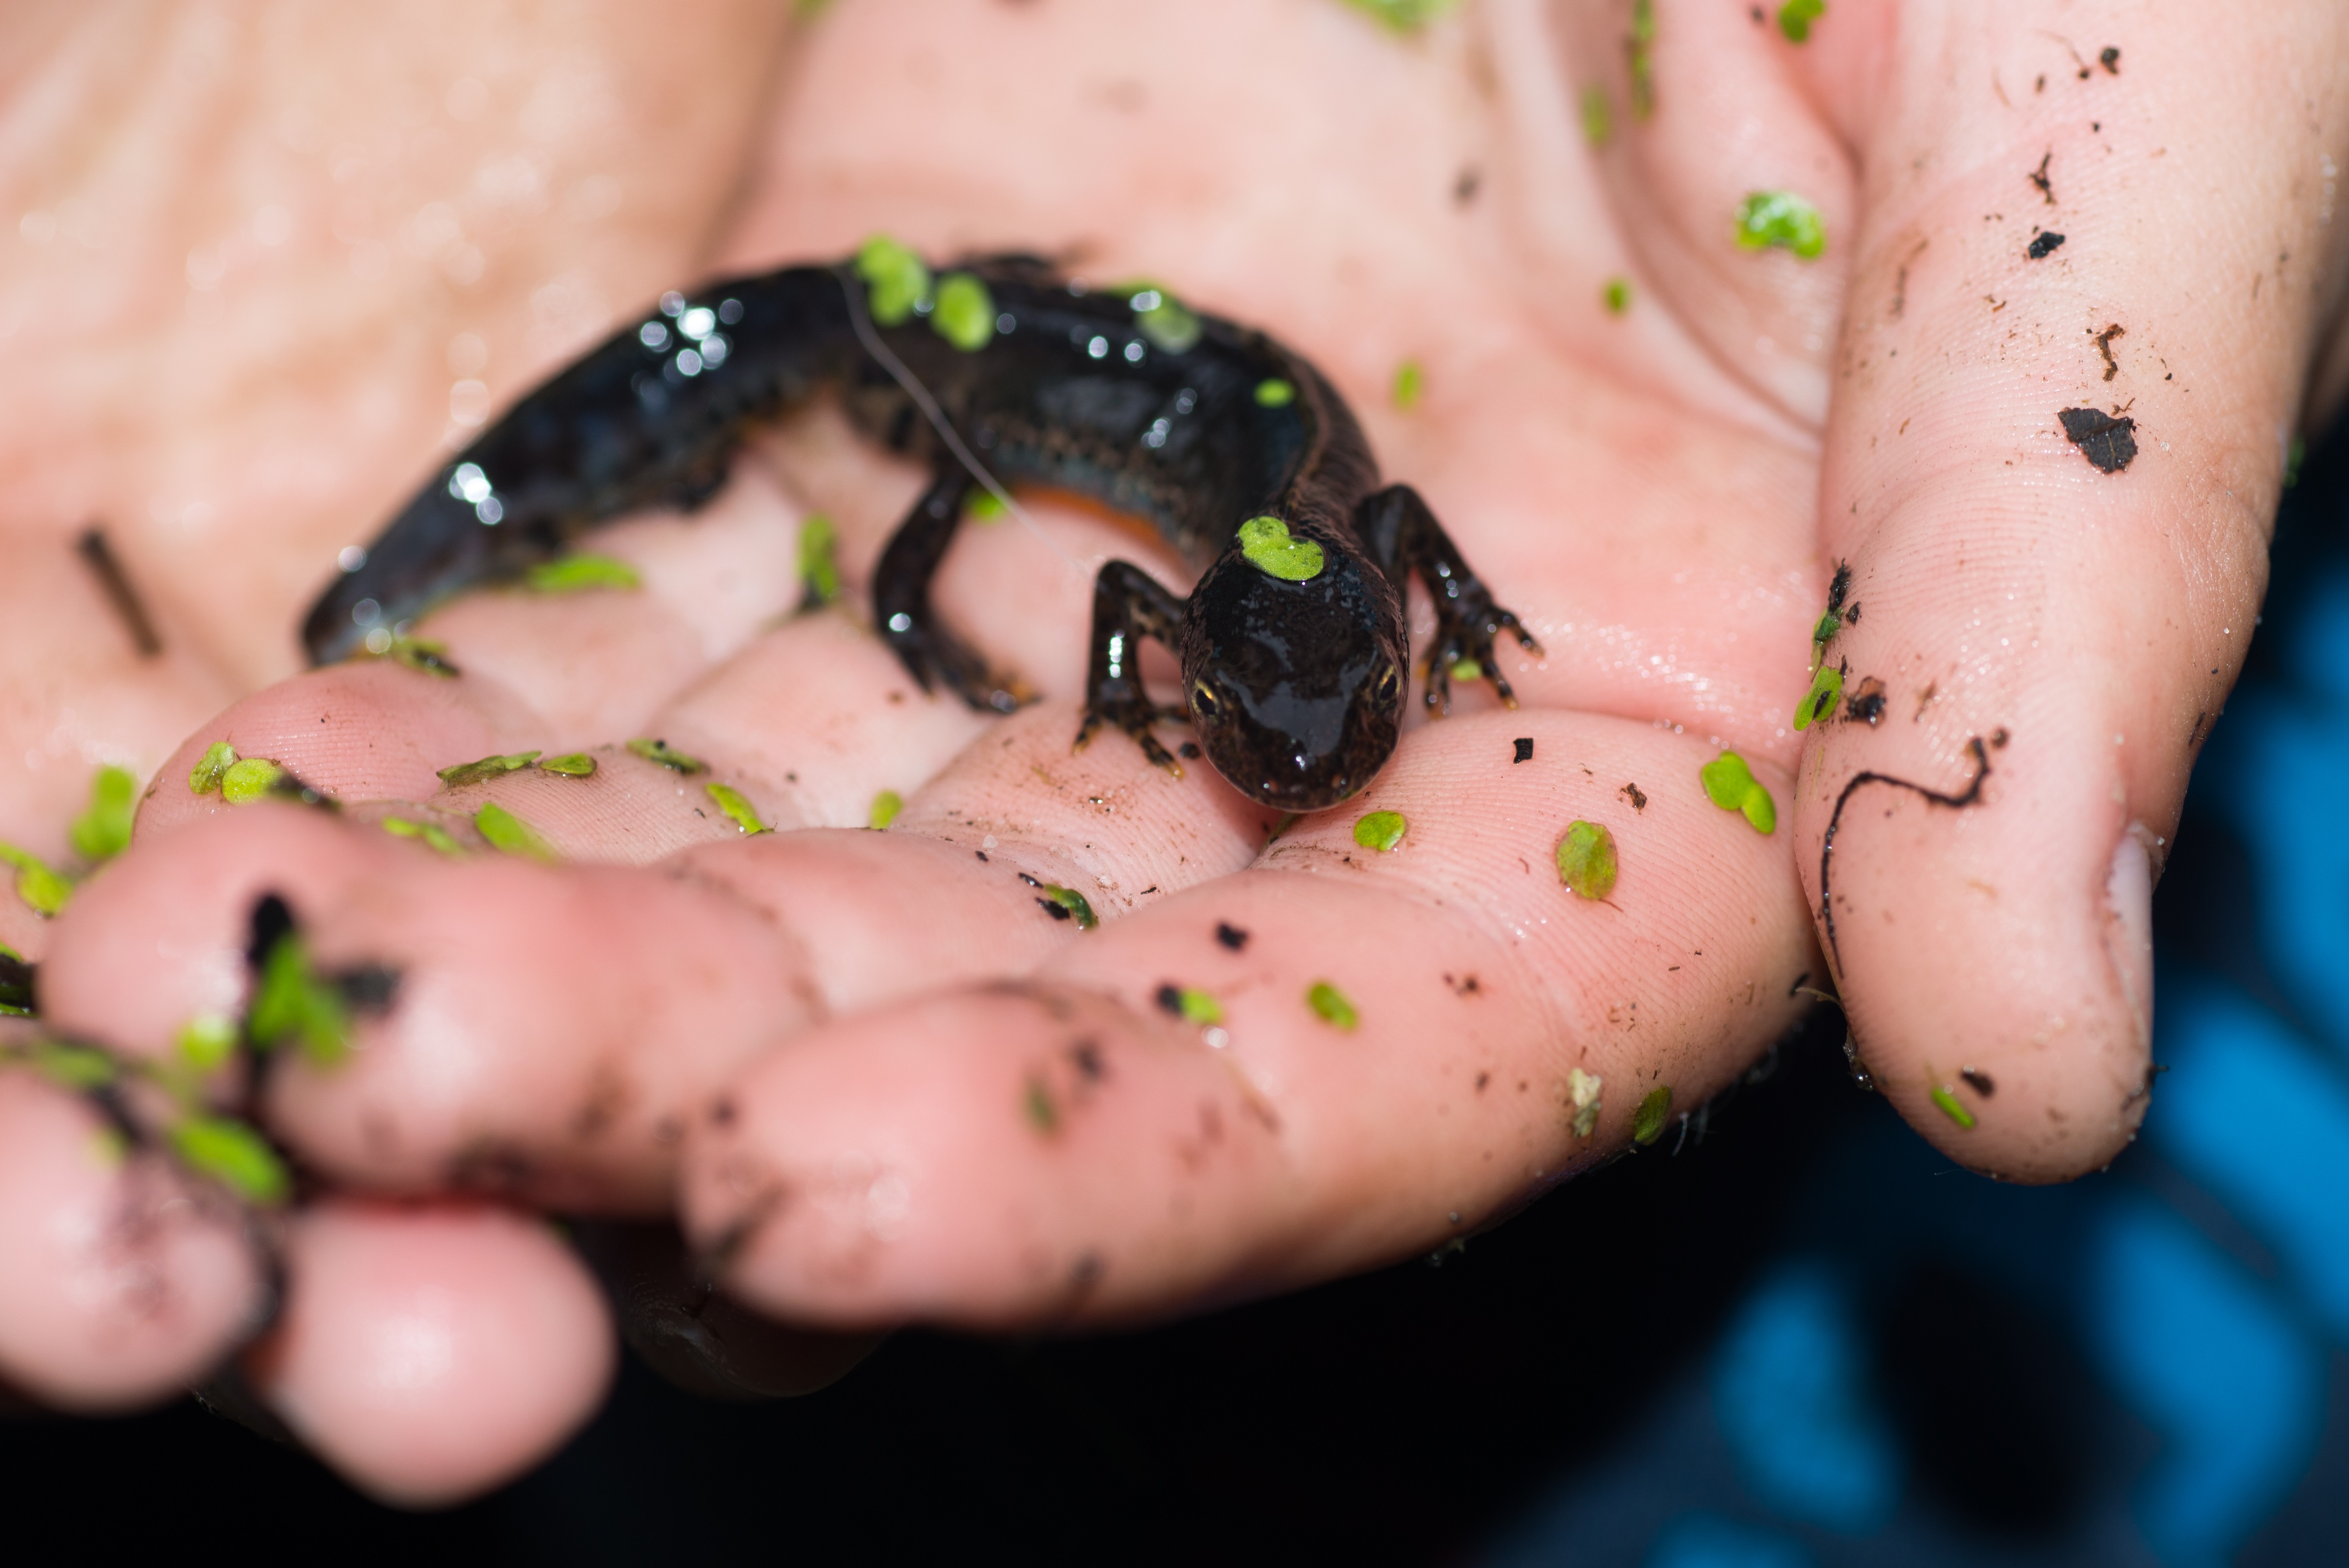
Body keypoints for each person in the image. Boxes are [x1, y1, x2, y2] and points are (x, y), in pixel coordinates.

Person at [0, 0, 2336, 1507]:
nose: (1300, 753)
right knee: (868, 384)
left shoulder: (1324, 562)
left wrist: (1374, 643)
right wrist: (941, 620)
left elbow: (1386, 522)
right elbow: (1148, 583)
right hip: (1013, 361)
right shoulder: (1205, 589)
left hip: (1159, 393)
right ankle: (541, 507)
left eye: (1325, 711)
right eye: (1260, 715)